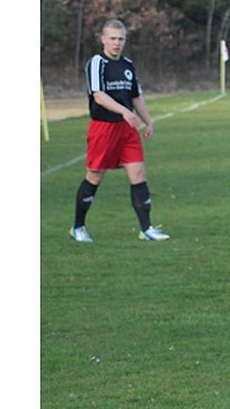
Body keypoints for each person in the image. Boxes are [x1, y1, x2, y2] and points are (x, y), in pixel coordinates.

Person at [71, 19, 169, 243]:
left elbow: (136, 95)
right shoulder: (96, 63)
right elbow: (98, 95)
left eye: (121, 39)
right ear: (103, 39)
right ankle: (78, 227)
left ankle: (146, 229)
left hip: (127, 130)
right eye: (113, 38)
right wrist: (124, 112)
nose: (117, 43)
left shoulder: (128, 65)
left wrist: (148, 120)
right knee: (94, 176)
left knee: (138, 174)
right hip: (103, 128)